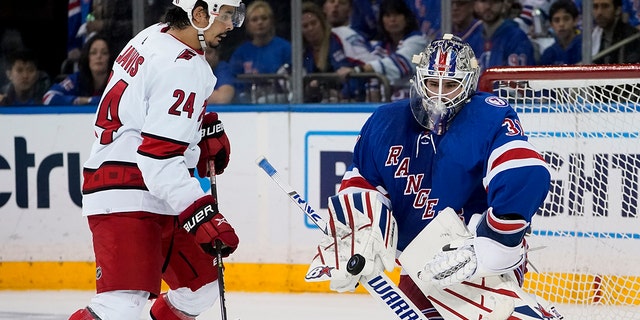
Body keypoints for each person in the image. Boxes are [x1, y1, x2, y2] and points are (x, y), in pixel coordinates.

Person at [308, 34, 551, 319]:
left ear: (468, 83)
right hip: (418, 263)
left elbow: (525, 174)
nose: (438, 94)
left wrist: (490, 246)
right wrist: (357, 232)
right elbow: (363, 181)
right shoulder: (386, 121)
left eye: (449, 84)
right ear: (419, 79)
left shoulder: (488, 116)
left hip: (474, 256)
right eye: (432, 83)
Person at [68, 0, 245, 319]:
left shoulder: (155, 34)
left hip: (152, 191)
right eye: (227, 14)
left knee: (201, 287)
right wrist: (201, 214)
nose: (232, 24)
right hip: (127, 191)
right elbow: (158, 159)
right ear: (200, 14)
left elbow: (145, 104)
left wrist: (197, 128)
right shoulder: (182, 68)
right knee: (120, 307)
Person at [338, 0, 427, 101]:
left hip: (415, 104)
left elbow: (397, 63)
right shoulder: (380, 47)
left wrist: (359, 70)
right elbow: (371, 72)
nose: (392, 20)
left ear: (406, 18)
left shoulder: (418, 42)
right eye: (388, 15)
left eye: (397, 14)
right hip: (388, 105)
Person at [228, 0, 291, 103]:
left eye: (264, 18)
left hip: (279, 101)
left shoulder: (285, 48)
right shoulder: (241, 52)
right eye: (254, 19)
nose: (260, 22)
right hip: (248, 102)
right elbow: (233, 80)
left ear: (271, 21)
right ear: (247, 25)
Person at [43, 34, 111, 106]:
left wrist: (92, 100)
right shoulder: (77, 79)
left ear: (111, 57)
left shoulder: (118, 80)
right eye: (93, 53)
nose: (99, 56)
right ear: (87, 57)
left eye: (104, 53)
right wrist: (79, 100)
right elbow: (48, 98)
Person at [474, 0, 536, 72]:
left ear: (503, 5)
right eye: (483, 1)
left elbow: (520, 78)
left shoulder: (517, 37)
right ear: (476, 5)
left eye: (494, 2)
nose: (488, 6)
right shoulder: (472, 37)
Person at [539, 0, 582, 65]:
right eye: (556, 20)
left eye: (566, 19)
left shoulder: (585, 47)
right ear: (551, 25)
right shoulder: (549, 54)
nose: (561, 24)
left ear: (575, 21)